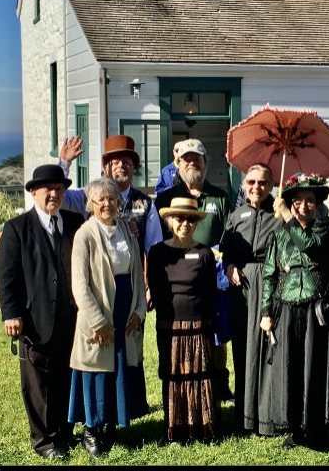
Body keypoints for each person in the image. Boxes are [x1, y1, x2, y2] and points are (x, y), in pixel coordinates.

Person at [259, 172, 329, 450]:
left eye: (310, 200)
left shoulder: (326, 228)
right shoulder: (278, 236)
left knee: (316, 368)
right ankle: (294, 428)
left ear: (317, 203)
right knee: (291, 367)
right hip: (288, 307)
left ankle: (317, 427)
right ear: (290, 203)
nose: (304, 206)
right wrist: (266, 312)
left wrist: (288, 219)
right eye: (298, 201)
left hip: (318, 309)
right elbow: (269, 275)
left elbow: (308, 244)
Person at [0, 164, 85, 460]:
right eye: (47, 189)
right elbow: (7, 277)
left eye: (59, 189)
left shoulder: (75, 222)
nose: (54, 194)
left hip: (72, 319)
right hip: (36, 321)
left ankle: (64, 432)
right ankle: (44, 441)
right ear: (34, 192)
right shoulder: (16, 229)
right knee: (38, 383)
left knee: (66, 377)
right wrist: (11, 314)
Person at [68, 178, 149, 457]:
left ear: (119, 202)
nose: (106, 204)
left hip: (126, 312)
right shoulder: (85, 235)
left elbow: (138, 273)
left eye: (111, 198)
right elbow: (79, 285)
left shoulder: (128, 229)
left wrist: (139, 311)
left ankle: (111, 425)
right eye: (100, 199)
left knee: (119, 369)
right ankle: (92, 429)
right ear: (90, 204)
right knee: (97, 372)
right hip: (99, 315)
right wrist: (99, 322)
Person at [155, 138, 233, 401]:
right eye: (186, 159)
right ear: (177, 164)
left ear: (205, 163)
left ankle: (219, 382)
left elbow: (229, 236)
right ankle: (180, 385)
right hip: (177, 277)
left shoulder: (220, 196)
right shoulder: (165, 199)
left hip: (214, 274)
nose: (191, 163)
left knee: (217, 334)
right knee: (178, 332)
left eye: (196, 158)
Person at [58, 135, 162, 310]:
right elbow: (60, 197)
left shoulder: (146, 204)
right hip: (97, 286)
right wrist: (64, 164)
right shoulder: (89, 195)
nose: (121, 165)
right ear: (106, 167)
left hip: (130, 284)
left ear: (133, 168)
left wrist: (152, 286)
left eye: (126, 161)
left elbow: (155, 250)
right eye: (116, 161)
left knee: (130, 335)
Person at [147, 197, 220, 444]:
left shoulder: (204, 253)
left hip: (199, 325)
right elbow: (156, 290)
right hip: (169, 326)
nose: (185, 223)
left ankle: (202, 428)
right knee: (173, 376)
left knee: (199, 376)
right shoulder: (157, 253)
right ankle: (175, 430)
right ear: (170, 221)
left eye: (190, 219)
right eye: (179, 218)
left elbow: (211, 291)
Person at [220, 163, 282, 432]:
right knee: (243, 348)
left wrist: (286, 212)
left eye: (263, 182)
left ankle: (266, 416)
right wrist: (230, 266)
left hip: (270, 287)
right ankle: (243, 416)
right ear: (244, 185)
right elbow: (226, 253)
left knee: (267, 349)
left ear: (270, 186)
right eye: (251, 182)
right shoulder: (236, 216)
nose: (256, 187)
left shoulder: (279, 214)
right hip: (241, 290)